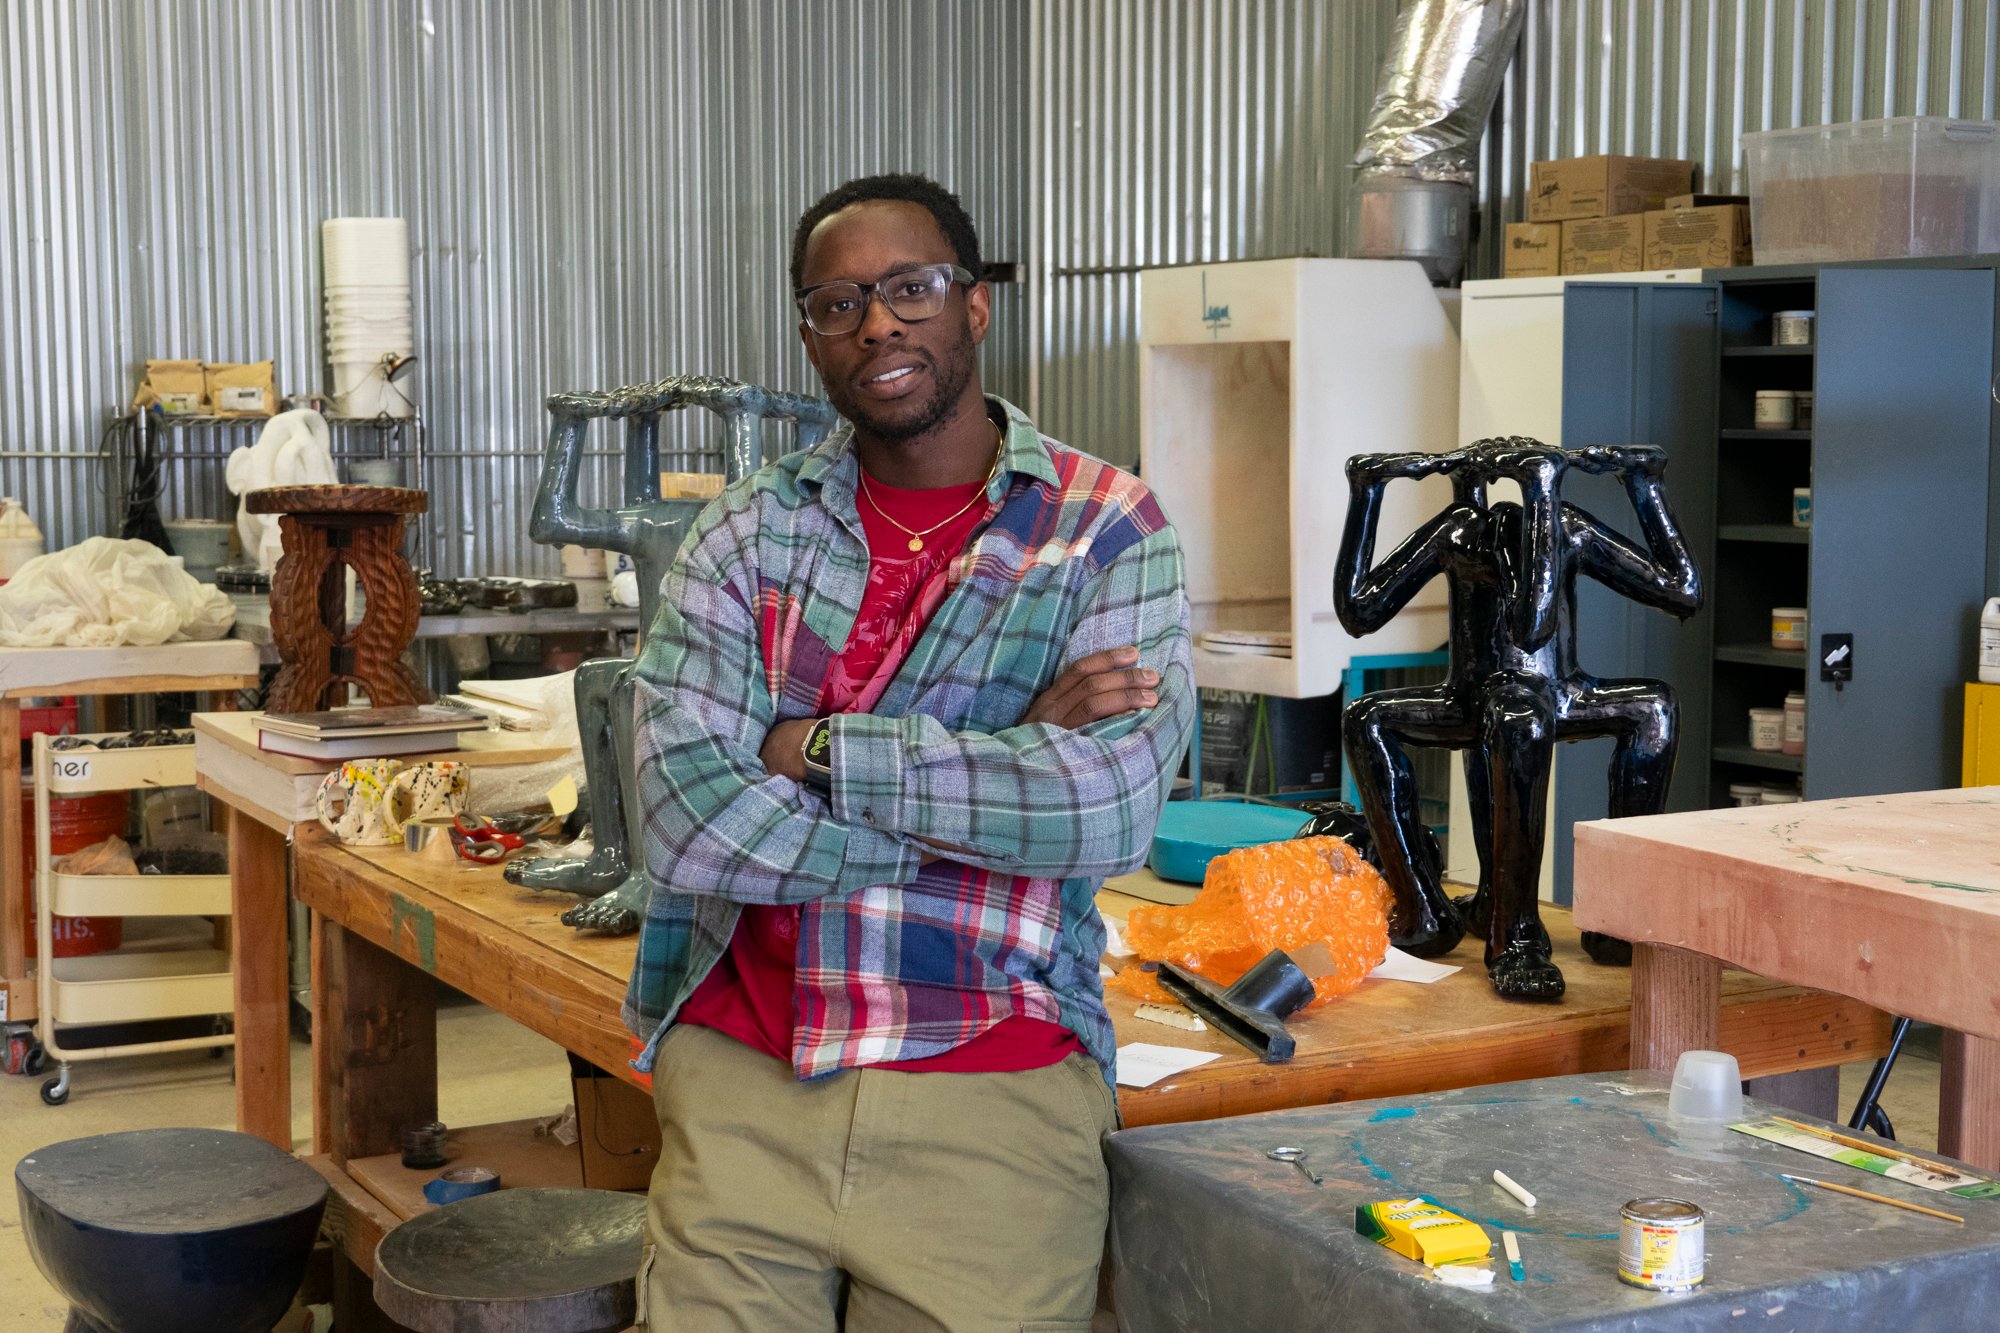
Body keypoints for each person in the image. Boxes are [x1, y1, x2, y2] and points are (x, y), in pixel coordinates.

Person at [624, 172, 1195, 1329]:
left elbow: (1103, 814)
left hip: (991, 1094)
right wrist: (999, 770)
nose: (876, 322)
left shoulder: (1103, 528)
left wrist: (812, 748)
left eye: (908, 288)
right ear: (810, 337)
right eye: (837, 303)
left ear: (972, 308)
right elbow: (680, 819)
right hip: (744, 1080)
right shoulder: (745, 531)